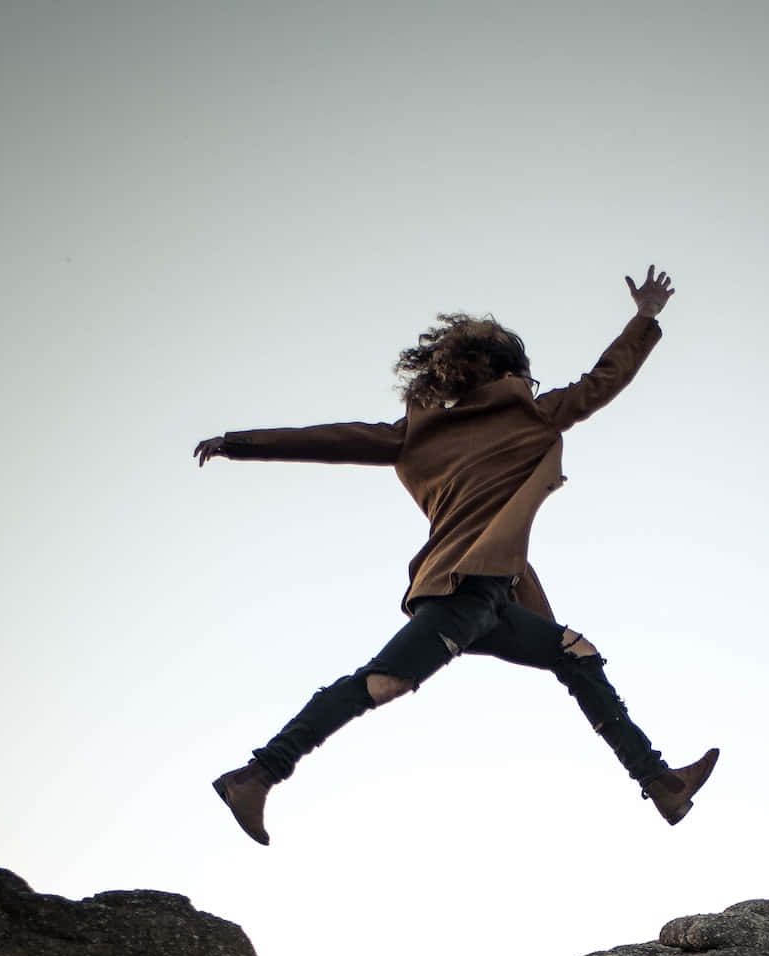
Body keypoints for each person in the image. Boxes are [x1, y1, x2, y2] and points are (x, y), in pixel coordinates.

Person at [195, 266, 718, 845]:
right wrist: (643, 318)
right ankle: (259, 773)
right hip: (460, 593)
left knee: (575, 654)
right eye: (525, 371)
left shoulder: (418, 433)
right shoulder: (530, 415)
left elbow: (331, 437)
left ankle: (660, 783)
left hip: (493, 597)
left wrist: (239, 443)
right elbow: (602, 381)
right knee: (383, 681)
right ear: (508, 372)